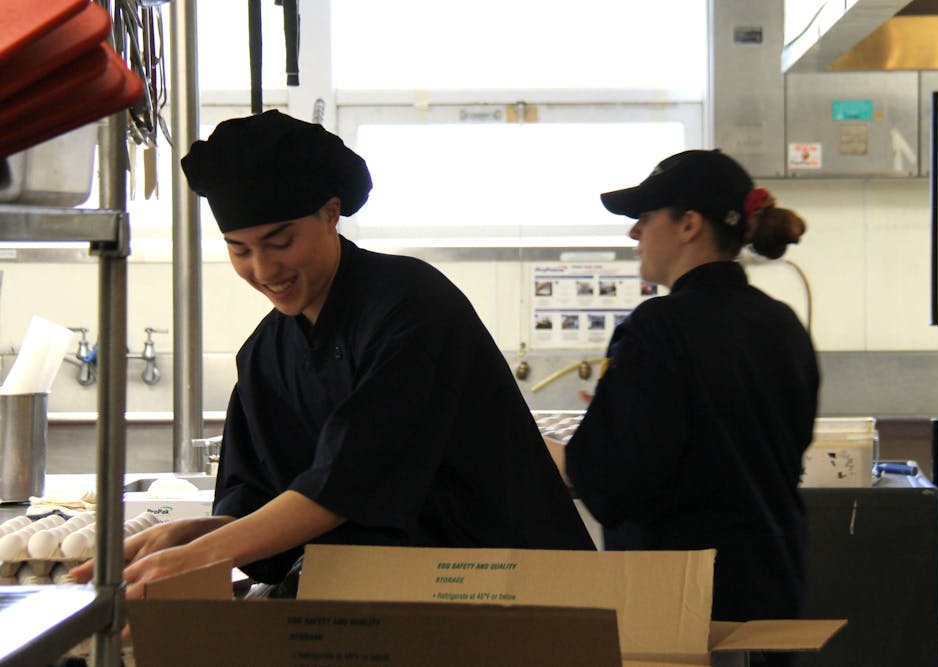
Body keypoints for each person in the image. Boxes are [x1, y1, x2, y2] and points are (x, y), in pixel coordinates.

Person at [72, 109, 594, 594]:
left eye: (280, 243)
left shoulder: (412, 307)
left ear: (330, 214)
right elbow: (262, 500)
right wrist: (192, 536)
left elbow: (348, 483)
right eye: (240, 249)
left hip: (507, 586)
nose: (263, 270)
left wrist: (203, 554)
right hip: (393, 601)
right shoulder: (265, 352)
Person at [562, 149, 819, 632]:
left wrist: (559, 454)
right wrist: (624, 409)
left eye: (644, 217)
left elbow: (619, 484)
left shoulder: (658, 327)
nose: (633, 233)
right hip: (774, 583)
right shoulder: (780, 323)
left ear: (688, 225)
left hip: (686, 600)